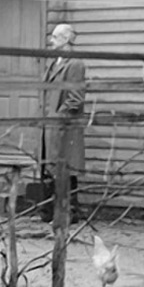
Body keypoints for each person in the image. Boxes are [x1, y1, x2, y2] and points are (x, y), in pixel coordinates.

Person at [40, 23, 86, 220]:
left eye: (56, 37)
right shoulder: (53, 62)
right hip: (48, 124)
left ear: (66, 39)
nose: (51, 41)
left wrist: (59, 117)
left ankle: (70, 212)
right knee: (49, 167)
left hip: (63, 126)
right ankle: (50, 211)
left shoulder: (75, 64)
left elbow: (75, 97)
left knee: (66, 168)